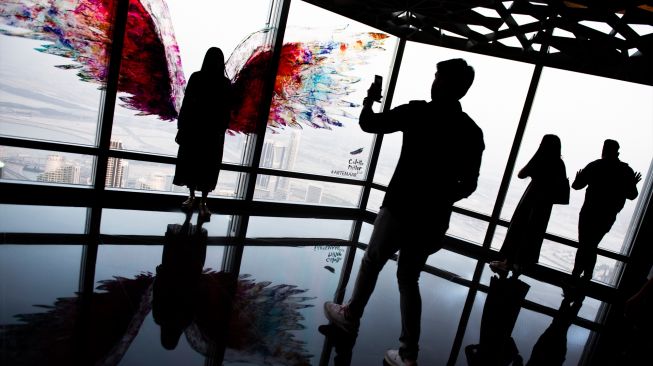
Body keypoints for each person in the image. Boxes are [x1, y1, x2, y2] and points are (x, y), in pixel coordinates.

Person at [324, 58, 484, 366]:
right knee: (409, 279)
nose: (433, 82)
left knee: (372, 262)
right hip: (432, 220)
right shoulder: (471, 132)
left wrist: (369, 101)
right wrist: (438, 199)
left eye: (437, 77)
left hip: (399, 207)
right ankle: (409, 353)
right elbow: (469, 185)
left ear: (445, 84)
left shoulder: (417, 112)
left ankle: (351, 315)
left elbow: (370, 124)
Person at [490, 134, 569, 277]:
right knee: (533, 233)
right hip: (544, 205)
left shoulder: (540, 159)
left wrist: (536, 157)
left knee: (518, 229)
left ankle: (508, 262)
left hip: (531, 199)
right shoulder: (559, 164)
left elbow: (521, 174)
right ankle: (520, 265)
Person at [569, 139, 641, 284]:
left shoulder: (595, 165)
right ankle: (584, 276)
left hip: (588, 212)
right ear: (617, 152)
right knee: (591, 245)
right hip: (607, 216)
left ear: (604, 150)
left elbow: (576, 186)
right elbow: (632, 195)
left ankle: (577, 275)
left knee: (585, 244)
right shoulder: (626, 171)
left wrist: (578, 178)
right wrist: (632, 184)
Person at [173, 47, 232, 221]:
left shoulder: (197, 77)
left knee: (191, 163)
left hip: (194, 130)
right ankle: (203, 202)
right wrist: (221, 129)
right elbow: (226, 111)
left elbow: (187, 105)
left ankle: (192, 198)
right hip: (211, 134)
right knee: (208, 167)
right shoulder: (224, 83)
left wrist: (182, 127)